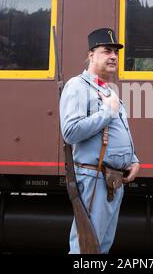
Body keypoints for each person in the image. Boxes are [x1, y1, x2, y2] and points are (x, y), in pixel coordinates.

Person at [59, 28, 141, 254]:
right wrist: (106, 112)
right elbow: (70, 131)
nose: (114, 56)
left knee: (101, 247)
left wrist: (132, 160)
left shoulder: (107, 90)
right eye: (107, 51)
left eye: (116, 51)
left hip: (112, 180)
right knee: (87, 247)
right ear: (91, 55)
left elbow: (118, 129)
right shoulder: (77, 86)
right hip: (95, 177)